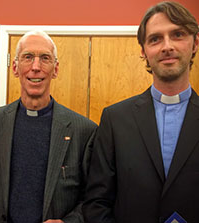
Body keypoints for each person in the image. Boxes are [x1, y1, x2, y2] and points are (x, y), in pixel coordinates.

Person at [82, 1, 199, 223]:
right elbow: (97, 202)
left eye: (177, 34)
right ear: (144, 51)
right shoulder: (115, 120)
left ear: (194, 44)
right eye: (155, 39)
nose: (167, 46)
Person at [0, 30, 97, 223]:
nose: (36, 67)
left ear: (55, 69)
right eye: (28, 57)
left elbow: (94, 197)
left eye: (45, 58)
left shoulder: (83, 131)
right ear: (15, 67)